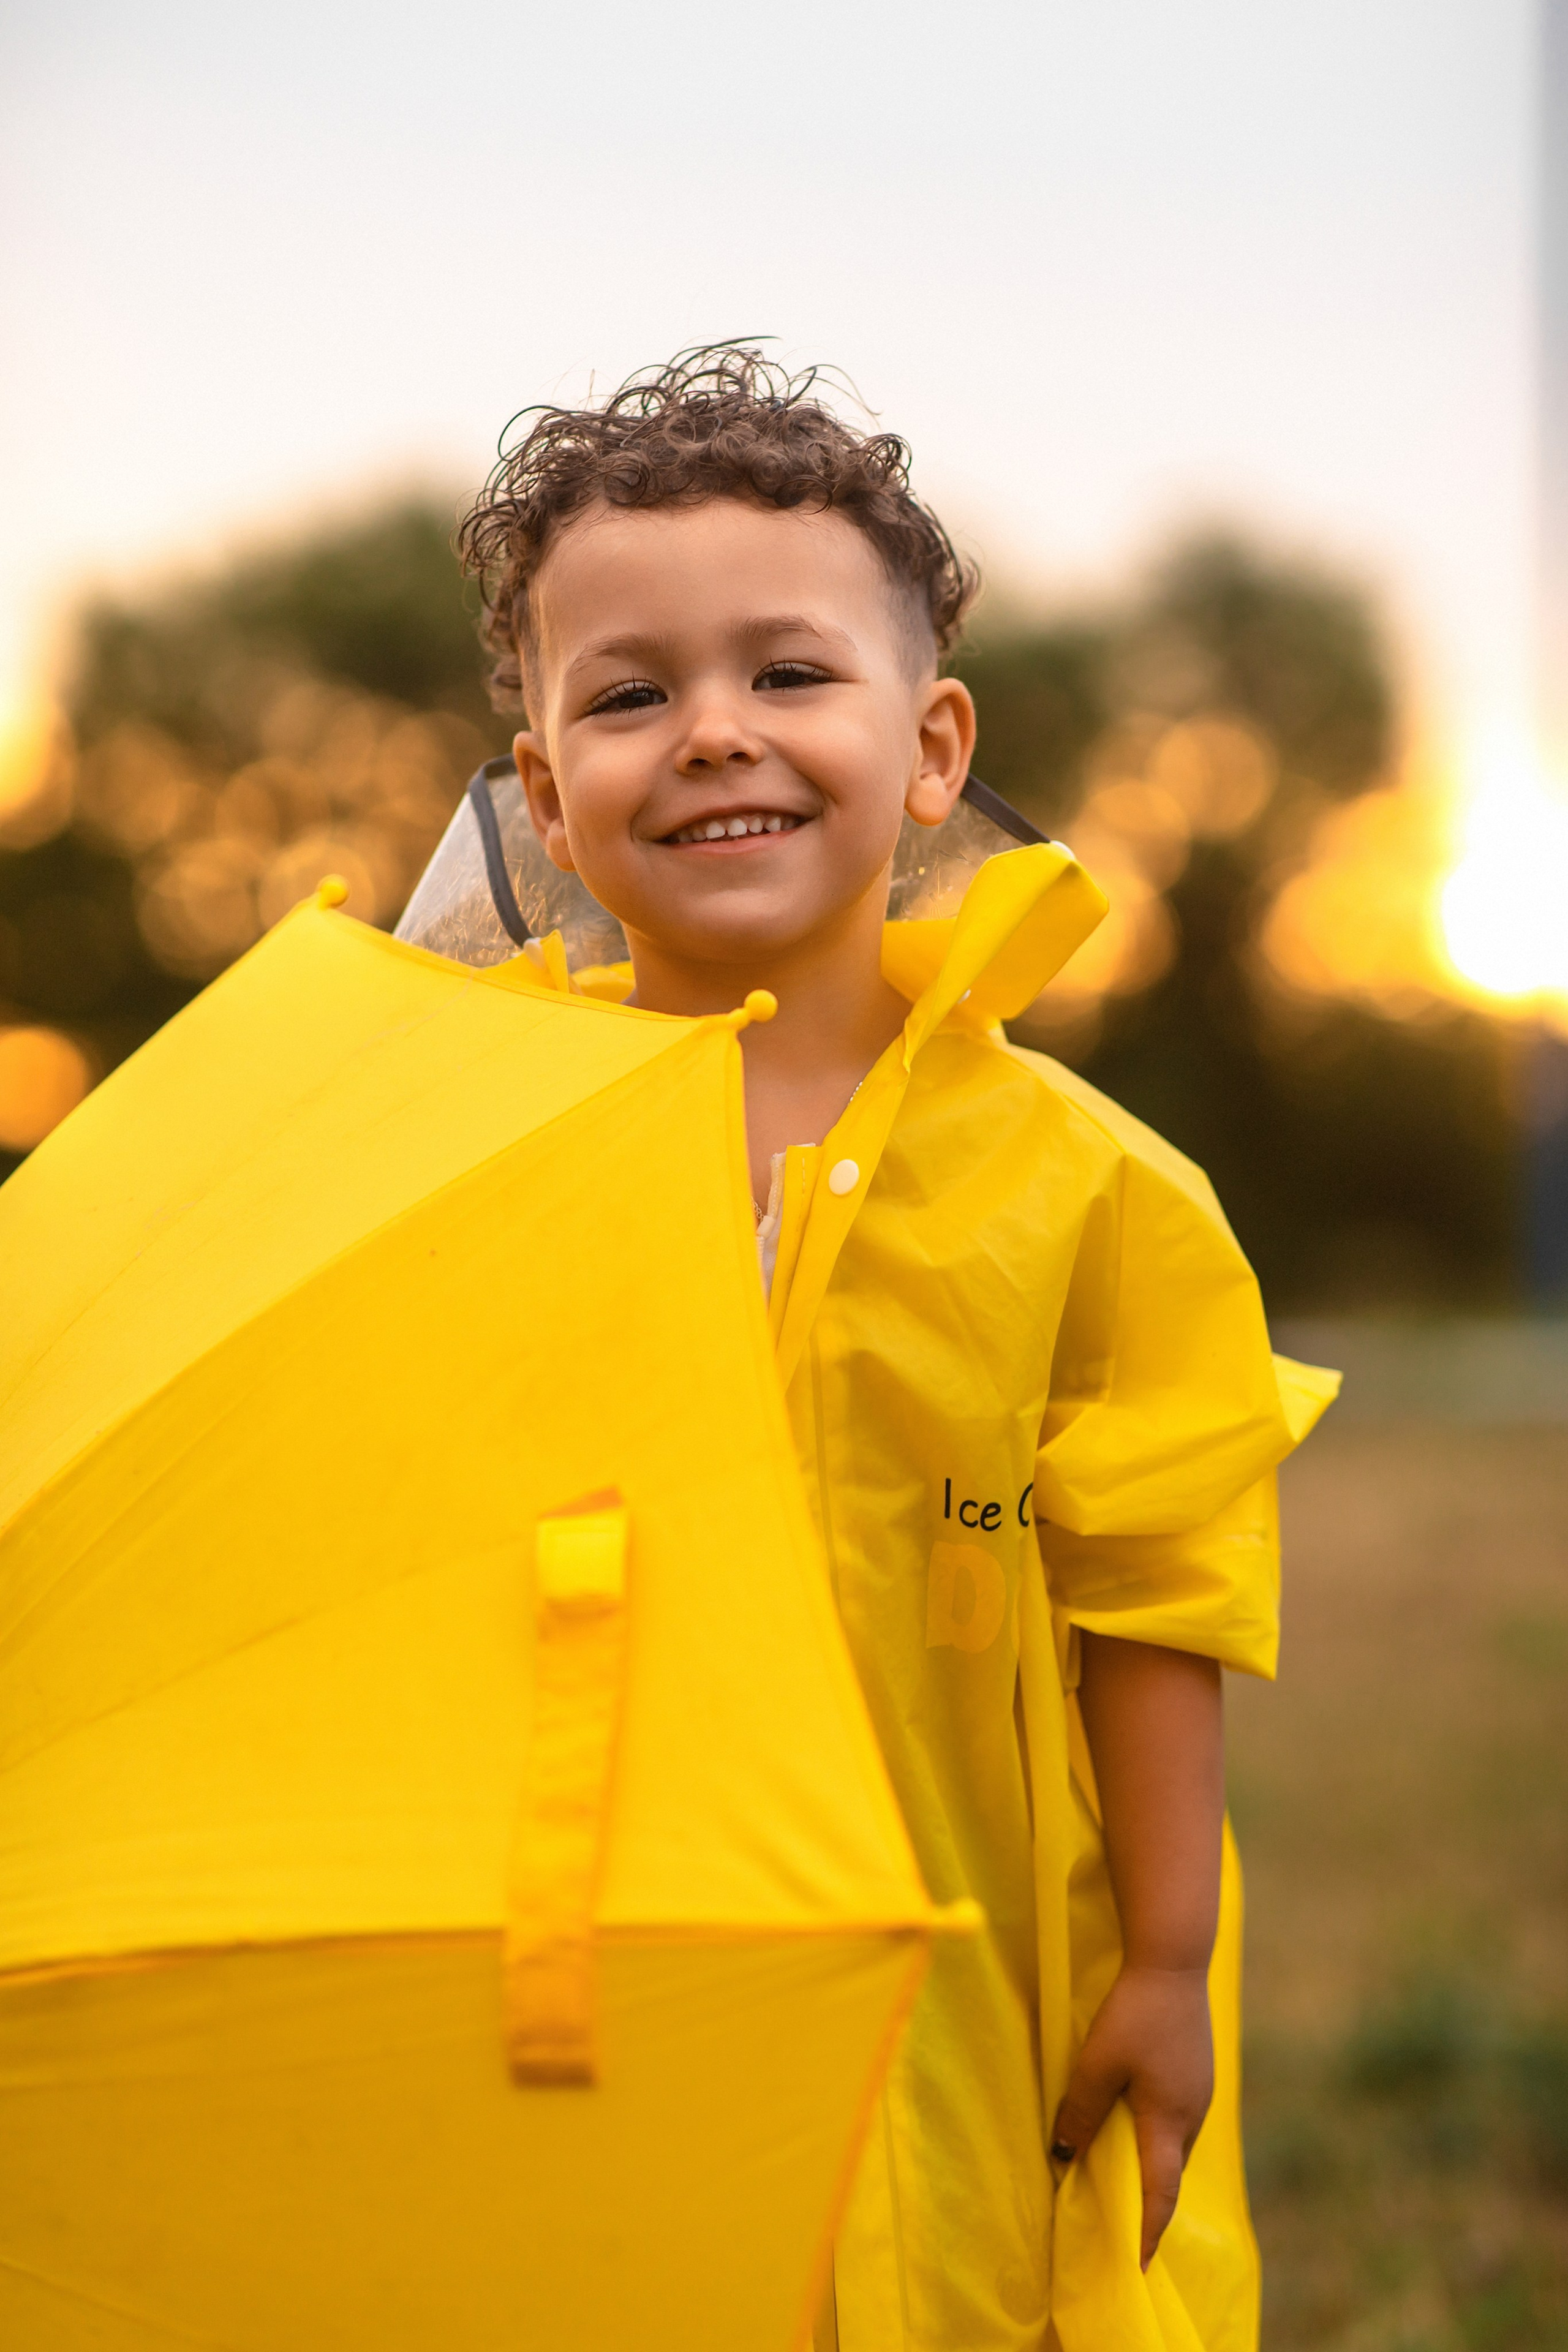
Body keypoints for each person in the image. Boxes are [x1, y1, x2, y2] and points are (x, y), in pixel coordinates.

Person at [454, 345, 1336, 2352]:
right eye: (626, 693)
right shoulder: (477, 1159)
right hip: (603, 1939)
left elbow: (1156, 1588)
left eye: (786, 674)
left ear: (931, 746)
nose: (708, 736)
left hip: (973, 1944)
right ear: (544, 797)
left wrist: (1169, 1967)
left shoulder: (1101, 1195)